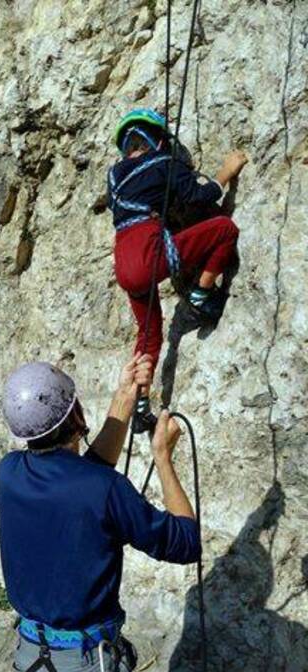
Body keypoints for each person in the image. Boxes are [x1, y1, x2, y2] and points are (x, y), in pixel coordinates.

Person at [0, 355, 201, 672]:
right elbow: (185, 542)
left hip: (36, 669)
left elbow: (78, 480)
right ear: (76, 415)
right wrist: (162, 457)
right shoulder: (105, 490)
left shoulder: (10, 472)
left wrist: (122, 401)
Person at [107, 108, 248, 431]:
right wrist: (226, 172)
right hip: (147, 251)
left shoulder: (114, 176)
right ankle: (201, 296)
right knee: (224, 229)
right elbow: (201, 194)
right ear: (158, 140)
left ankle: (140, 408)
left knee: (150, 334)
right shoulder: (163, 164)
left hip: (125, 262)